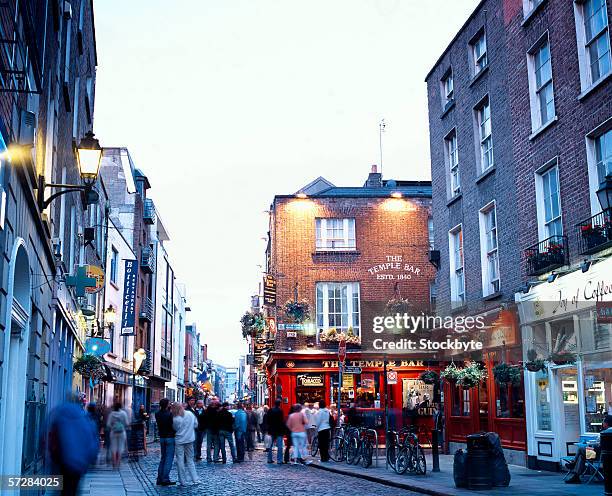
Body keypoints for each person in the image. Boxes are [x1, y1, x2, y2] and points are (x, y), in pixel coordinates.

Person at [48, 399, 99, 496]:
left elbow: (48, 436)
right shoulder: (85, 421)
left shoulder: (58, 417)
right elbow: (92, 441)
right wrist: (92, 458)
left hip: (62, 461)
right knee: (73, 488)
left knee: (63, 488)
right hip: (79, 462)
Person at [565, 415, 611, 483]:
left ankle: (573, 463)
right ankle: (576, 477)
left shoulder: (606, 432)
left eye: (603, 421)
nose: (602, 423)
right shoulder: (606, 431)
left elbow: (601, 446)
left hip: (598, 456)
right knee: (581, 456)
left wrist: (597, 444)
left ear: (607, 423)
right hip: (598, 454)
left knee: (581, 449)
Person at [171, 403, 200, 486]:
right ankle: (195, 479)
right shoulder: (190, 414)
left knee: (180, 460)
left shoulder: (176, 418)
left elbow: (175, 429)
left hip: (180, 440)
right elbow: (196, 424)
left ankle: (182, 481)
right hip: (190, 439)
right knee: (190, 460)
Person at [155, 398, 176, 486]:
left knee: (163, 458)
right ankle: (165, 478)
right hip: (170, 437)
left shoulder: (157, 414)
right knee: (169, 459)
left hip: (162, 437)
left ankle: (159, 478)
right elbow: (173, 426)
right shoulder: (170, 414)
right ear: (167, 405)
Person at [106, 401, 129, 469]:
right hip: (122, 432)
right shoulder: (123, 413)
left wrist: (113, 426)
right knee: (120, 448)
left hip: (113, 432)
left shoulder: (112, 414)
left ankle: (114, 463)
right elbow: (127, 423)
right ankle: (118, 463)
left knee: (113, 447)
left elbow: (108, 424)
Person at [265, 399, 285, 464]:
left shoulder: (270, 410)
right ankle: (279, 460)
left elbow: (267, 420)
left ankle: (269, 459)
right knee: (280, 446)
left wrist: (268, 429)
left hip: (271, 430)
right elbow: (282, 421)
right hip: (279, 430)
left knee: (270, 446)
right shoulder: (280, 411)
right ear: (279, 404)